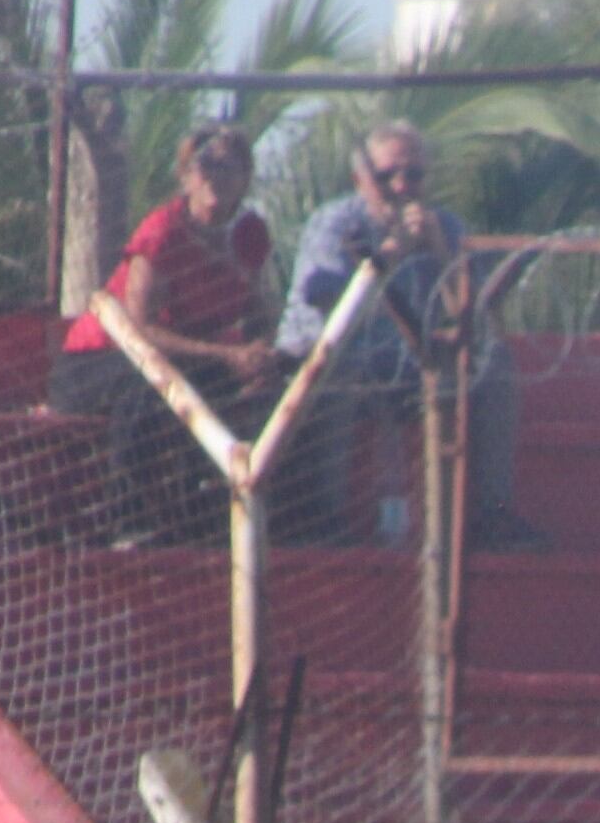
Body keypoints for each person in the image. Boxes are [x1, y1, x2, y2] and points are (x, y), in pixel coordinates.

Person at [275, 120, 540, 549]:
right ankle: (325, 518)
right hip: (337, 357)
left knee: (496, 369)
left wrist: (440, 252)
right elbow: (332, 312)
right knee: (339, 372)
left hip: (409, 364)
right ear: (361, 180)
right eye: (388, 176)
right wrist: (390, 255)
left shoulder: (445, 227)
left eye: (413, 174)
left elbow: (473, 320)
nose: (402, 185)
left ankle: (492, 515)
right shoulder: (338, 225)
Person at [46, 125, 279, 546]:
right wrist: (227, 354)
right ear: (186, 176)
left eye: (230, 165)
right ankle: (127, 521)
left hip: (190, 362)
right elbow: (139, 333)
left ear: (246, 177)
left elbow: (257, 311)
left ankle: (218, 515)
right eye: (204, 164)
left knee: (257, 390)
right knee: (152, 385)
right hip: (99, 363)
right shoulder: (163, 230)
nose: (215, 176)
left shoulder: (249, 236)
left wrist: (258, 353)